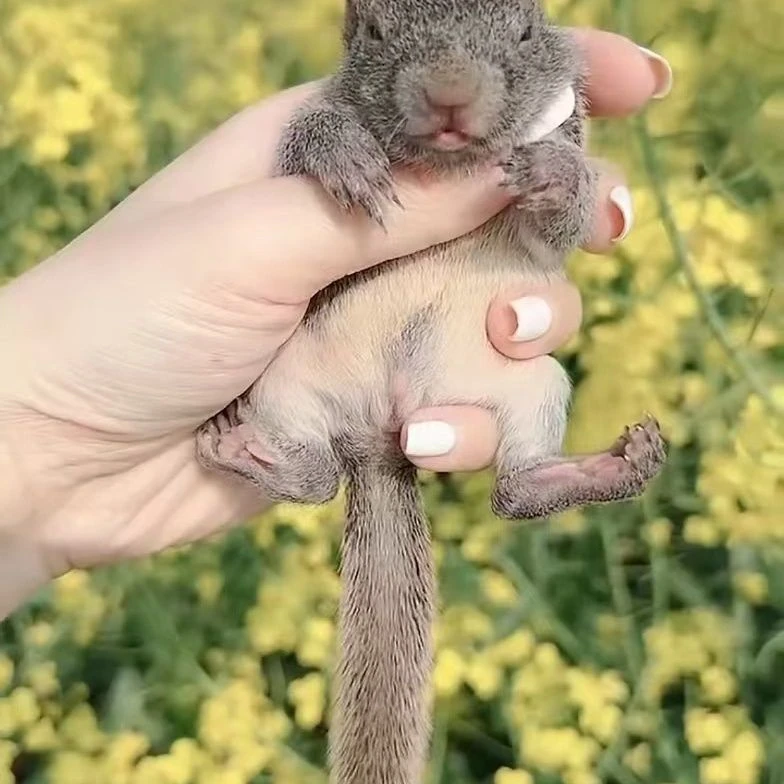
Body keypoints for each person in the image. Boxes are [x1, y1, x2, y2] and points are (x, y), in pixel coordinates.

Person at [0, 28, 671, 620]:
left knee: (536, 384)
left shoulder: (555, 100)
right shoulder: (339, 108)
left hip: (462, 347)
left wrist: (564, 184)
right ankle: (303, 459)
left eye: (517, 42)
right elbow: (308, 138)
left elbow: (553, 236)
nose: (451, 90)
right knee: (302, 375)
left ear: (538, 35)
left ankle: (531, 473)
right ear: (357, 29)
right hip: (332, 354)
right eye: (385, 35)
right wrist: (329, 144)